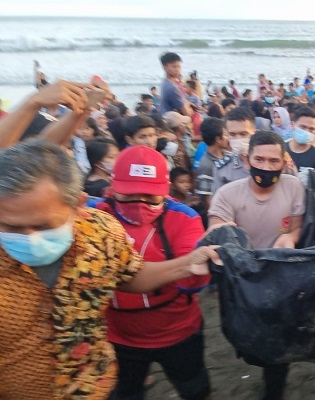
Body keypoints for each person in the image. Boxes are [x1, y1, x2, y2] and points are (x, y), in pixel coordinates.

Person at [0, 140, 219, 399]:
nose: (31, 238)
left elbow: (129, 275)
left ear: (78, 205)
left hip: (96, 384)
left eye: (44, 225)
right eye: (10, 227)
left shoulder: (101, 230)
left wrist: (186, 265)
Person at [92, 146, 211, 400]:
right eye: (128, 195)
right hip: (118, 336)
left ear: (165, 190)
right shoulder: (94, 216)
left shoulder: (185, 217)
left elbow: (193, 279)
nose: (139, 204)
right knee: (126, 393)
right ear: (113, 187)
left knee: (195, 389)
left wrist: (198, 266)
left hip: (178, 331)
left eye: (150, 196)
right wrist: (184, 265)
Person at [207, 131, 305, 400]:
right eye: (259, 159)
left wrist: (290, 237)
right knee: (245, 335)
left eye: (274, 161)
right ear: (246, 160)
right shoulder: (227, 194)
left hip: (279, 276)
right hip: (242, 280)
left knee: (279, 341)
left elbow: (295, 226)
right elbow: (218, 233)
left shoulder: (294, 186)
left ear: (284, 162)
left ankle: (274, 389)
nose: (266, 167)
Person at [211, 107, 256, 194]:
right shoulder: (223, 168)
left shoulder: (268, 159)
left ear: (254, 133)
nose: (238, 139)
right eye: (232, 134)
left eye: (243, 134)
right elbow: (218, 203)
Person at [194, 117, 231, 209]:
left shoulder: (228, 155)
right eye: (226, 134)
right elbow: (208, 199)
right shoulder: (206, 165)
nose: (228, 138)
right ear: (218, 139)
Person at [287, 106, 315, 171]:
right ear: (292, 125)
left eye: (311, 129)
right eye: (303, 127)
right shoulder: (281, 149)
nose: (307, 132)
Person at [158, 52, 190, 116]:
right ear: (165, 67)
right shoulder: (172, 87)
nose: (177, 69)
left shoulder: (164, 83)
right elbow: (186, 112)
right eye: (174, 67)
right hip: (173, 122)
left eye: (179, 67)